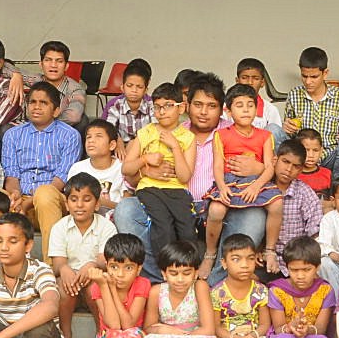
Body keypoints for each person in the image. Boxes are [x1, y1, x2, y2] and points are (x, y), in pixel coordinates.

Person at [114, 74, 267, 283]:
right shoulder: (169, 130)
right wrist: (145, 171)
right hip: (172, 203)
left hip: (221, 209)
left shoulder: (235, 133)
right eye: (198, 104)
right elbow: (129, 179)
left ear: (223, 108)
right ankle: (162, 282)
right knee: (125, 210)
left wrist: (260, 168)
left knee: (255, 217)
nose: (203, 112)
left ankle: (213, 284)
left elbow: (271, 164)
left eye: (211, 106)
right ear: (186, 106)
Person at [0, 82, 82, 260]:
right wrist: (15, 197)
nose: (36, 107)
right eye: (32, 102)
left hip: (50, 202)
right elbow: (12, 173)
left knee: (45, 194)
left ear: (56, 111)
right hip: (18, 201)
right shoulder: (13, 134)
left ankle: (50, 269)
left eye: (43, 103)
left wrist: (30, 202)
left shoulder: (69, 135)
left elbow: (62, 177)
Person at [201, 84, 283, 278]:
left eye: (250, 105)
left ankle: (270, 250)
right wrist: (221, 188)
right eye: (239, 105)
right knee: (216, 210)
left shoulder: (265, 136)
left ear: (256, 109)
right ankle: (210, 253)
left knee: (277, 204)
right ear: (228, 111)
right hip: (229, 181)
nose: (246, 109)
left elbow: (270, 166)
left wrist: (256, 186)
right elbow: (218, 166)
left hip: (257, 181)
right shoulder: (221, 135)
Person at [122, 83, 197, 254]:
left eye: (168, 106)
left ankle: (187, 270)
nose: (161, 112)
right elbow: (126, 169)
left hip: (177, 190)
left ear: (181, 108)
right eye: (157, 107)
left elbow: (184, 177)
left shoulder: (188, 137)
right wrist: (145, 159)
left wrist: (175, 147)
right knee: (163, 227)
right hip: (150, 188)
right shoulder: (145, 132)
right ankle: (165, 269)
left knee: (187, 229)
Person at [48, 173, 116, 338]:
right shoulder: (59, 227)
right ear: (67, 203)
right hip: (70, 282)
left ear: (96, 204)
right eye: (74, 199)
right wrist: (65, 269)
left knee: (96, 285)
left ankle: (100, 335)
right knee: (62, 285)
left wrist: (92, 265)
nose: (79, 205)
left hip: (93, 278)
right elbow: (58, 262)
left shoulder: (106, 227)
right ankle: (65, 336)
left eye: (86, 200)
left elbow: (106, 260)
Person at [282, 47, 339, 180]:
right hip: (301, 155)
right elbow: (289, 130)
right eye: (304, 76)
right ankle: (283, 180)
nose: (308, 81)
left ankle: (335, 185)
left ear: (325, 73)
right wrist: (287, 127)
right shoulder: (294, 94)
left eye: (314, 77)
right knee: (274, 131)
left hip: (330, 156)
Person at [270, 140, 323, 277]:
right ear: (275, 160)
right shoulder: (263, 188)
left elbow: (315, 233)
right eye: (285, 162)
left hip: (297, 262)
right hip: (266, 258)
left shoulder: (305, 193)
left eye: (295, 166)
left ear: (300, 170)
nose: (289, 169)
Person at [65, 119, 126, 218]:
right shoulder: (77, 168)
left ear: (112, 145)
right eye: (88, 137)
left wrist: (100, 202)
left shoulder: (122, 168)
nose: (91, 141)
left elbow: (127, 208)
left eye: (98, 136)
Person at [34, 41, 87, 128]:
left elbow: (73, 117)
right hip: (33, 131)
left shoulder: (75, 89)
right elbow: (6, 67)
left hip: (61, 133)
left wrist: (43, 123)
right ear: (41, 64)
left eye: (59, 61)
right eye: (48, 60)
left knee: (83, 120)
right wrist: (16, 75)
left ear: (66, 66)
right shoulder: (36, 80)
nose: (53, 65)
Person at [105, 58, 154, 149]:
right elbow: (108, 128)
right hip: (121, 149)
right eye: (129, 86)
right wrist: (117, 139)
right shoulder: (116, 106)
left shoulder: (152, 106)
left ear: (146, 90)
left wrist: (135, 145)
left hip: (147, 147)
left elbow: (156, 128)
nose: (134, 90)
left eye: (139, 87)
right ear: (122, 88)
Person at [235, 58, 283, 133]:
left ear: (262, 83)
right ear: (237, 81)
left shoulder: (270, 109)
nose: (250, 82)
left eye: (255, 78)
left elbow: (276, 136)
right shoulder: (226, 107)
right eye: (244, 78)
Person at [295, 128, 332, 199]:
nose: (311, 155)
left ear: (321, 151)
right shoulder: (293, 174)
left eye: (315, 150)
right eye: (306, 150)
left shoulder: (327, 174)